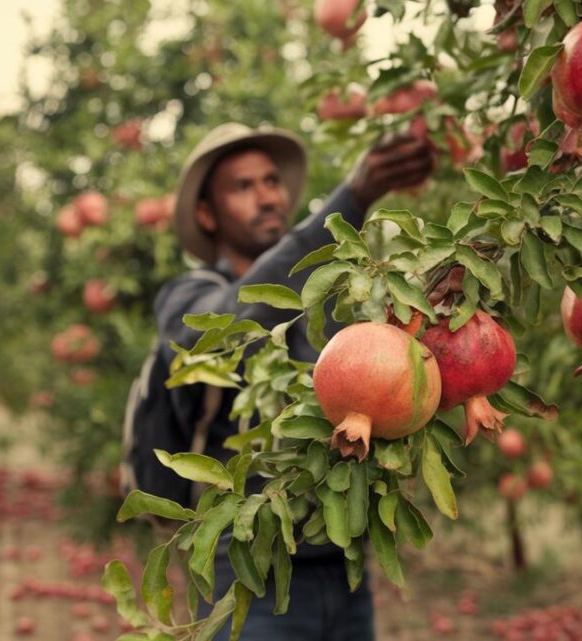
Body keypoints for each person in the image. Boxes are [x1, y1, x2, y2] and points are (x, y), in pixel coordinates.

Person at [125, 122, 434, 640]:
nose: (266, 195)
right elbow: (233, 321)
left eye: (271, 181)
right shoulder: (189, 299)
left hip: (343, 562)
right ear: (207, 214)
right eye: (242, 187)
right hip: (246, 563)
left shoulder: (332, 307)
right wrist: (349, 200)